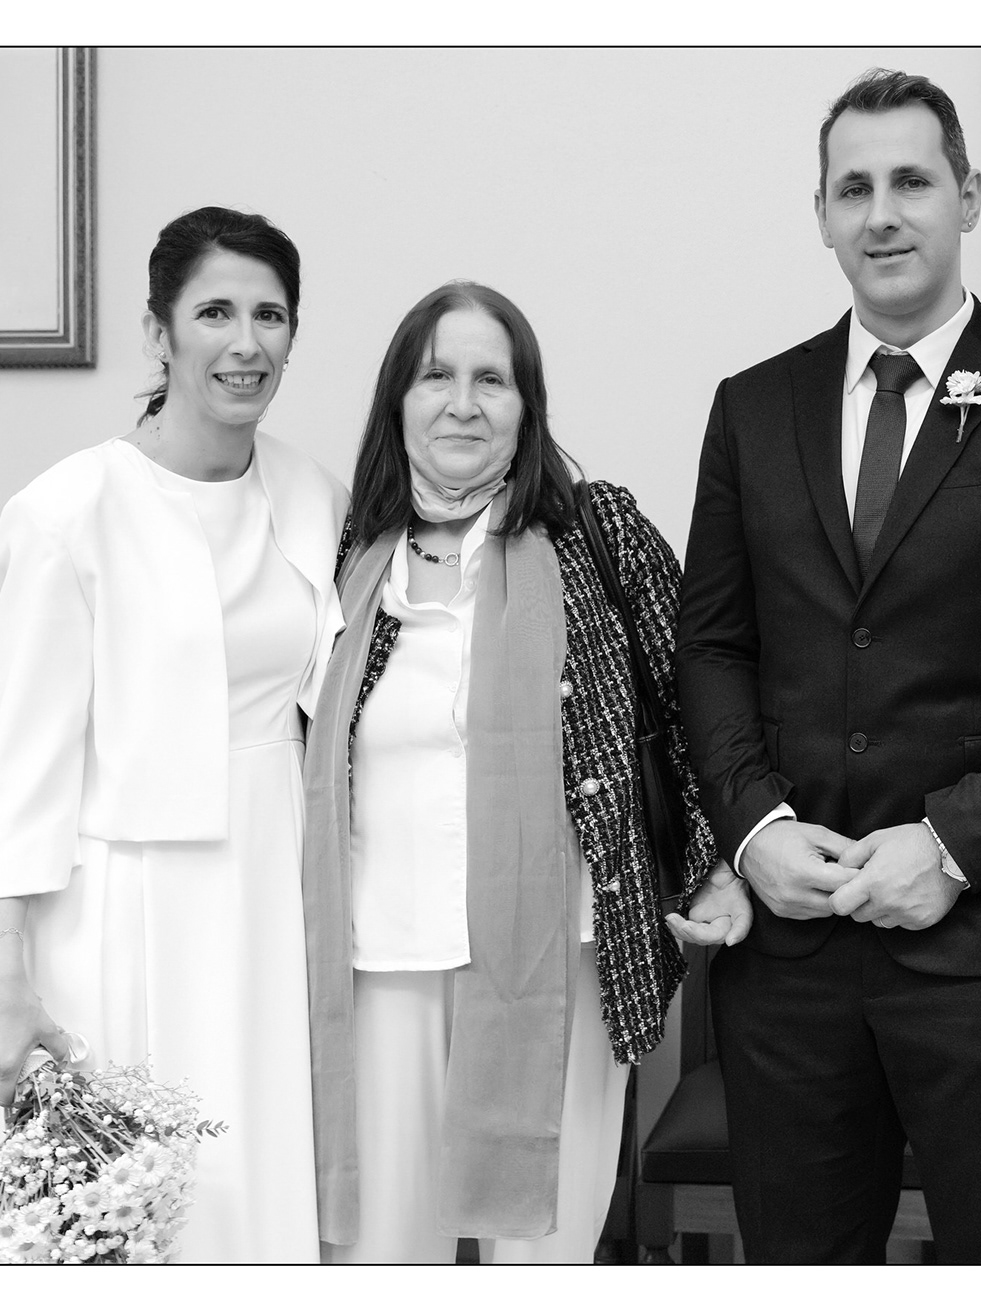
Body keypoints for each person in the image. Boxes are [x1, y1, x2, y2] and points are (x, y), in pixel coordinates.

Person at [673, 68, 981, 1263]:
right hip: (791, 959)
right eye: (854, 189)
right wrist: (754, 830)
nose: (883, 213)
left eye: (912, 181)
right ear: (821, 214)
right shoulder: (752, 409)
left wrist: (951, 845)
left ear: (969, 196)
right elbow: (714, 645)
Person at [303, 281, 719, 1263]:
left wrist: (716, 866)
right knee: (377, 1257)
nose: (463, 403)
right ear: (397, 400)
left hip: (555, 957)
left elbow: (702, 704)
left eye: (491, 379)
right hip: (377, 958)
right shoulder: (345, 552)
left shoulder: (596, 532)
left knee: (542, 1254)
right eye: (435, 377)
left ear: (527, 404)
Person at [0, 206, 347, 1262]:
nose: (246, 342)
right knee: (126, 1204)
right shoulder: (66, 512)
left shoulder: (315, 495)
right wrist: (4, 970)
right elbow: (27, 764)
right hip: (120, 905)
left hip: (272, 892)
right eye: (215, 312)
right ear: (157, 332)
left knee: (253, 1182)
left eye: (270, 315)